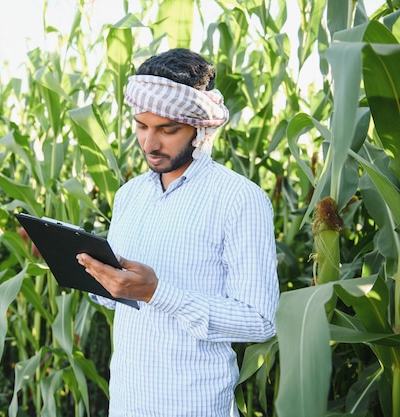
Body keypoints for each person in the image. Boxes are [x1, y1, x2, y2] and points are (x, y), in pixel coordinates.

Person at [76, 48, 280, 417]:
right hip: (127, 403)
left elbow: (260, 321)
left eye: (167, 130)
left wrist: (157, 293)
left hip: (194, 405)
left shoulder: (239, 199)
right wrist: (88, 269)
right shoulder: (129, 195)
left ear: (200, 127)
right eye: (141, 126)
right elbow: (118, 298)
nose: (150, 144)